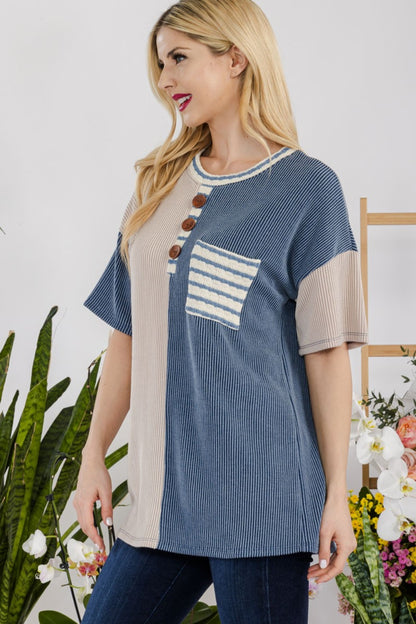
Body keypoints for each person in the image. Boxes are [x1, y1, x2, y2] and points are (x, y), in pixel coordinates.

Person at [74, 0, 368, 622]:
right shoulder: (157, 183)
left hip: (263, 498)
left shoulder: (308, 189)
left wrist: (336, 495)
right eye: (160, 64)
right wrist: (93, 451)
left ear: (235, 58)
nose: (165, 80)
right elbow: (126, 332)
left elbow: (326, 354)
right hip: (164, 501)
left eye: (179, 58)